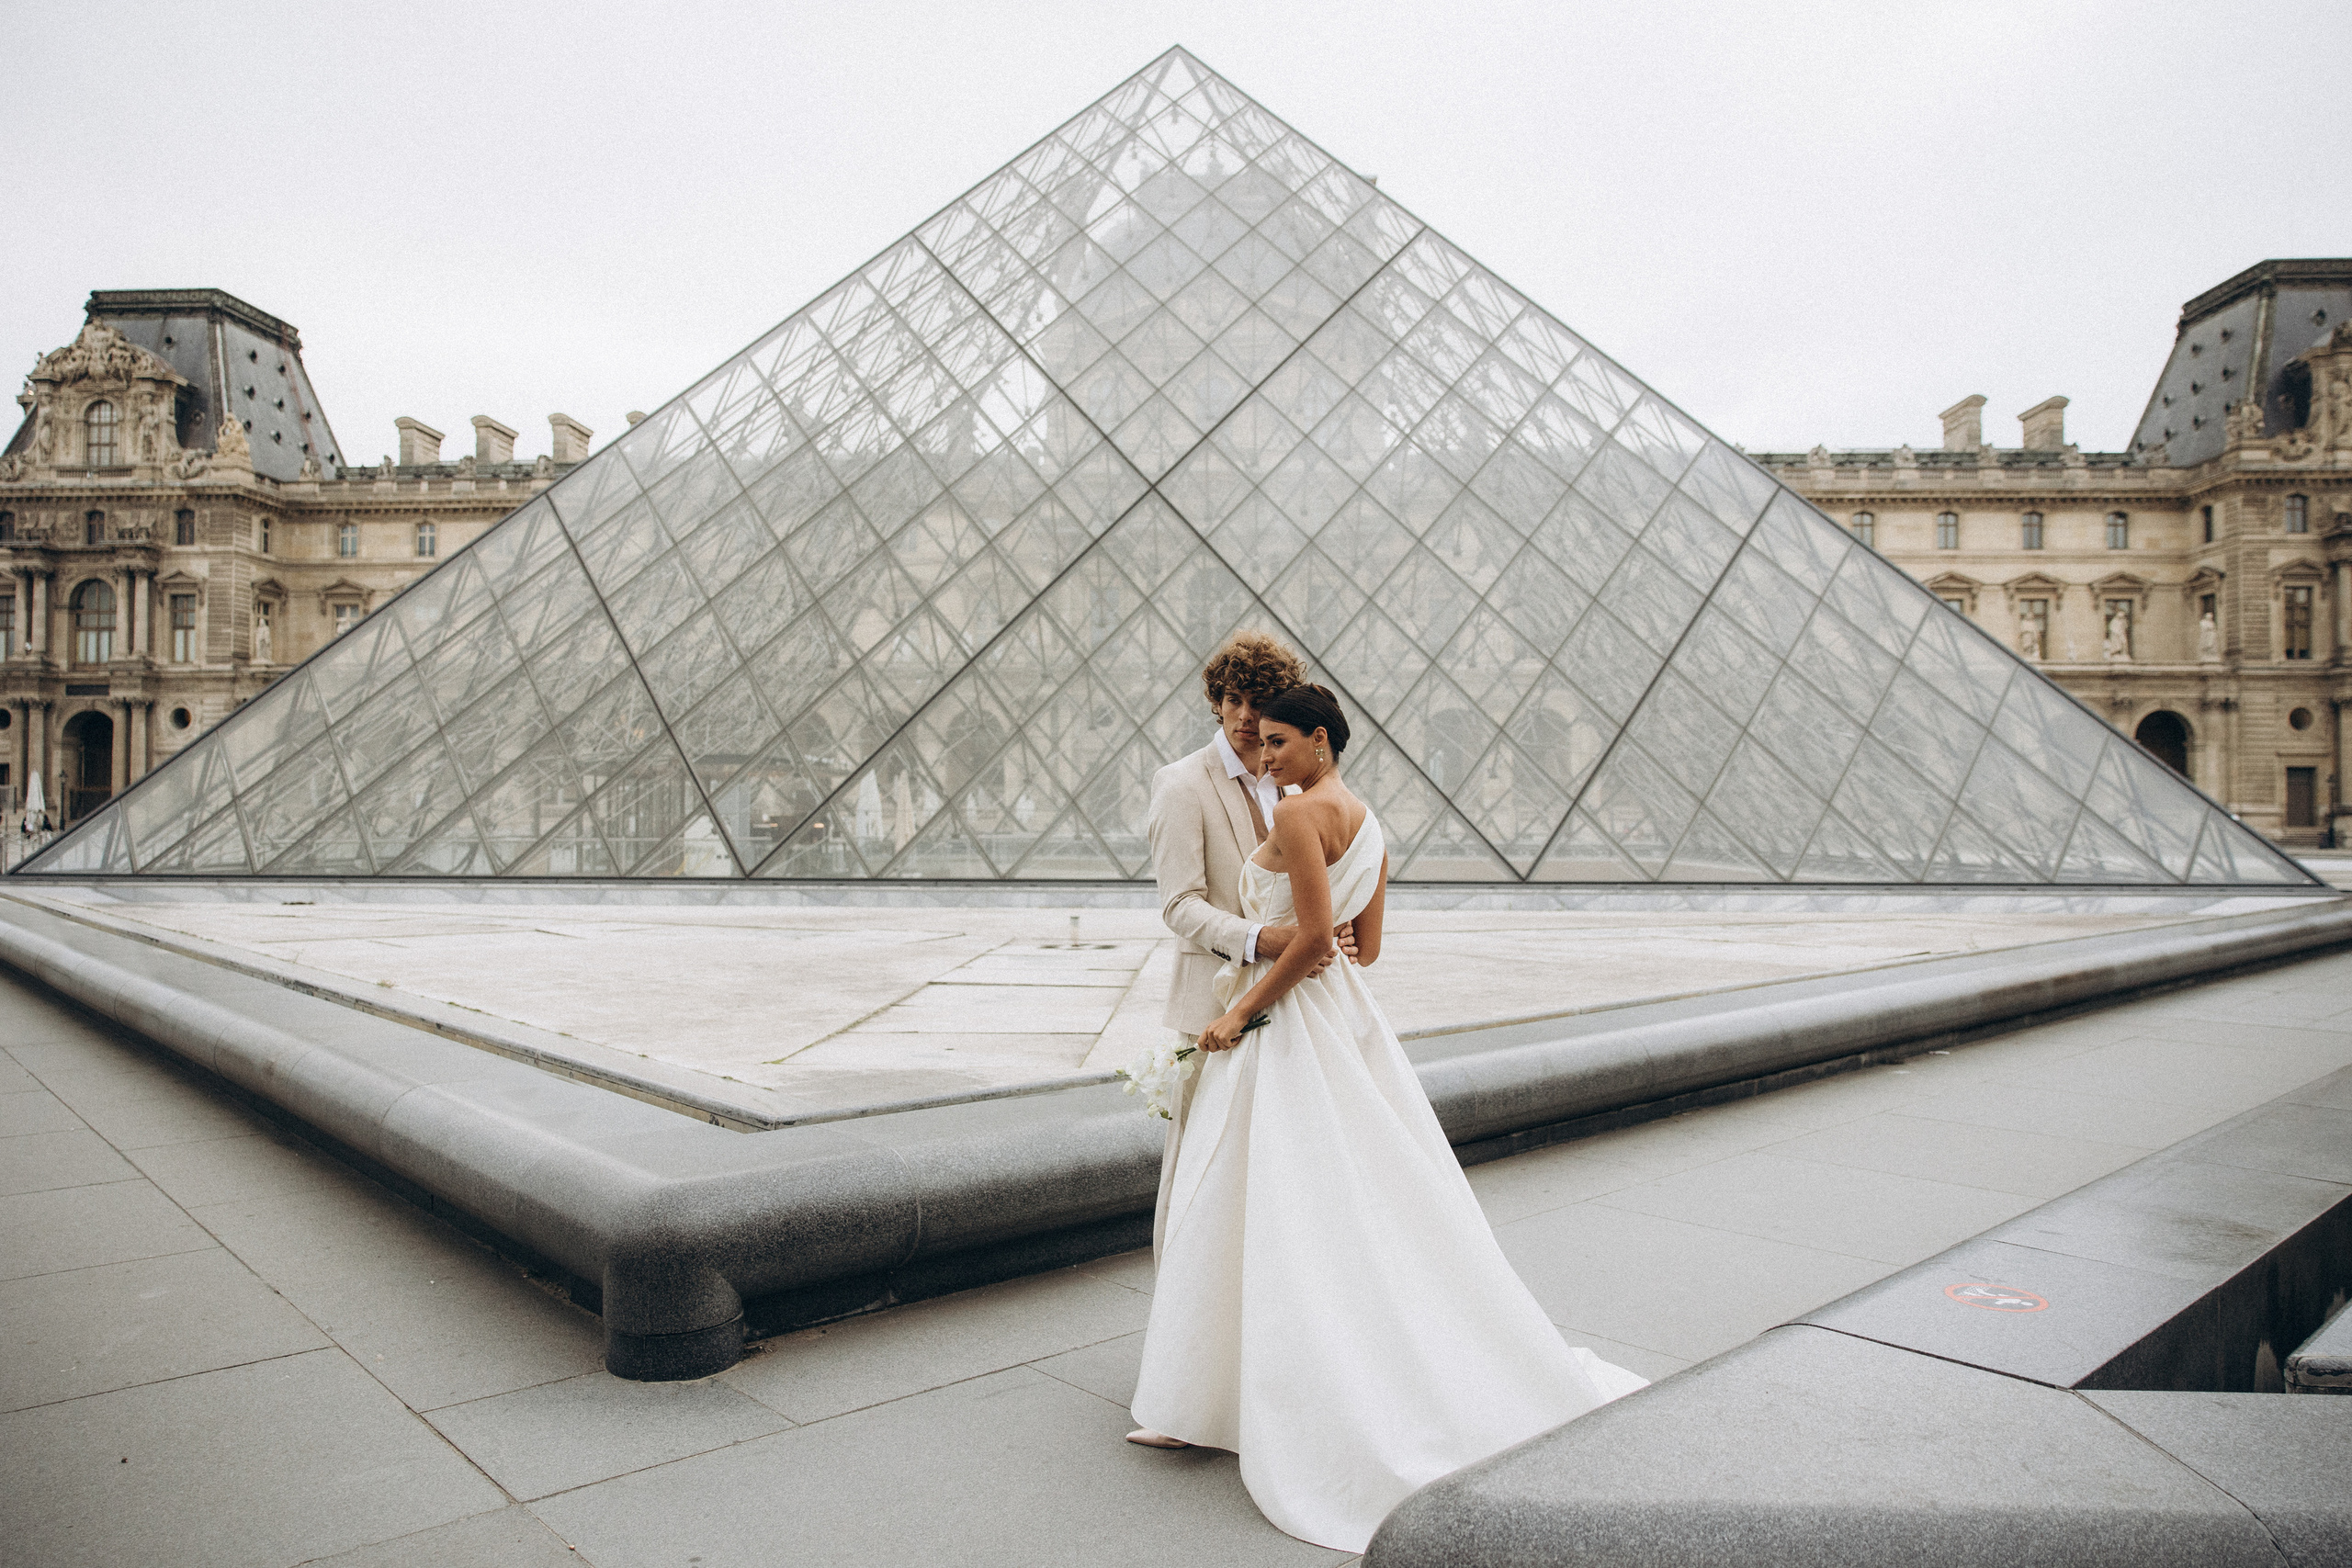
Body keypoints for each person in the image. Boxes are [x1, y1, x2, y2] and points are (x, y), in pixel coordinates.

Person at [1126, 683, 1645, 1554]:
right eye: (1260, 744)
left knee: (1250, 1193)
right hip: (1345, 1020)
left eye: (1281, 742)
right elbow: (1366, 946)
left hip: (1287, 1025)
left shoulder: (1295, 816)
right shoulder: (1366, 820)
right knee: (1335, 1198)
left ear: (1321, 742)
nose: (1264, 757)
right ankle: (1218, 1389)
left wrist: (1238, 1014)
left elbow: (1311, 938)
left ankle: (1202, 1397)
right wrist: (1304, 946)